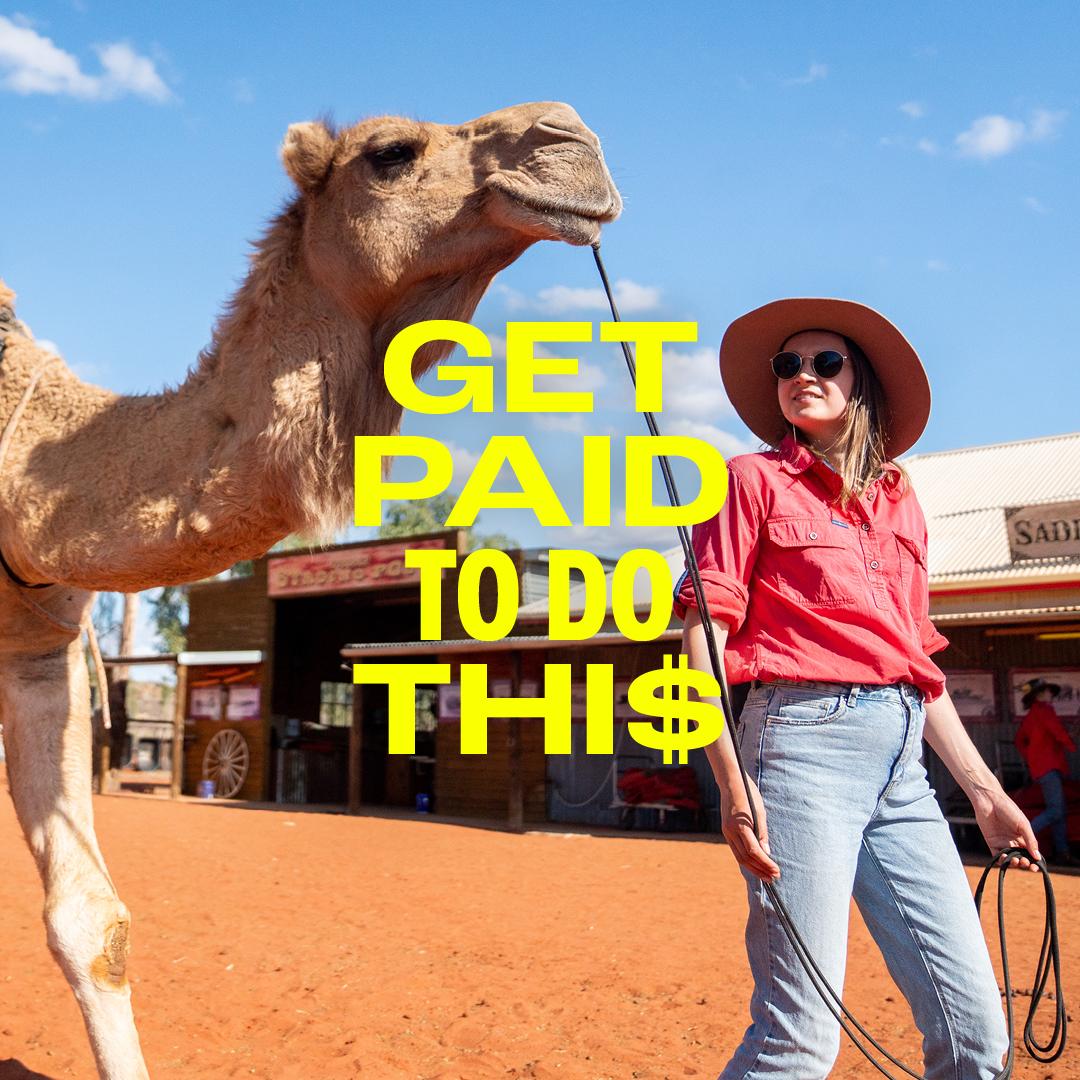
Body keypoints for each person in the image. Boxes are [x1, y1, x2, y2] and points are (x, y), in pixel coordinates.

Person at [673, 298, 1040, 1079]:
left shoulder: (902, 501)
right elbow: (702, 639)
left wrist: (984, 793)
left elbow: (917, 662)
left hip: (904, 768)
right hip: (798, 750)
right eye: (788, 365)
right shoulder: (749, 481)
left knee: (977, 1036)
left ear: (859, 382)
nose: (802, 375)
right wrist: (732, 781)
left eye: (825, 362)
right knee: (799, 1039)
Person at [1015, 677, 1076, 865]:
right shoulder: (1045, 711)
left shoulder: (1032, 715)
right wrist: (1071, 744)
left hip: (1042, 768)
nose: (1050, 694)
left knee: (1058, 810)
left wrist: (1032, 758)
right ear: (1039, 694)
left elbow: (1019, 741)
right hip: (1050, 768)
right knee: (1056, 810)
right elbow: (1057, 732)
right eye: (1047, 690)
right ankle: (1021, 837)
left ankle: (1062, 852)